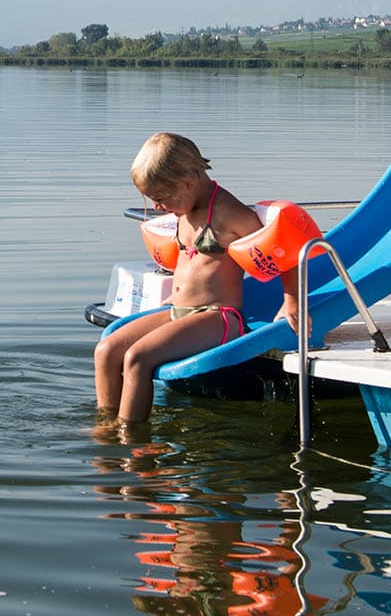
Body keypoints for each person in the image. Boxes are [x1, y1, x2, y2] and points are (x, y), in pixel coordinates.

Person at [94, 133, 299, 430]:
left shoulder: (230, 214)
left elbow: (282, 253)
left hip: (217, 317)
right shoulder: (185, 208)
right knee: (107, 350)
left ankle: (130, 436)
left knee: (138, 358)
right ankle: (105, 423)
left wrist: (291, 301)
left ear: (188, 183)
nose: (157, 207)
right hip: (179, 311)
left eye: (161, 198)